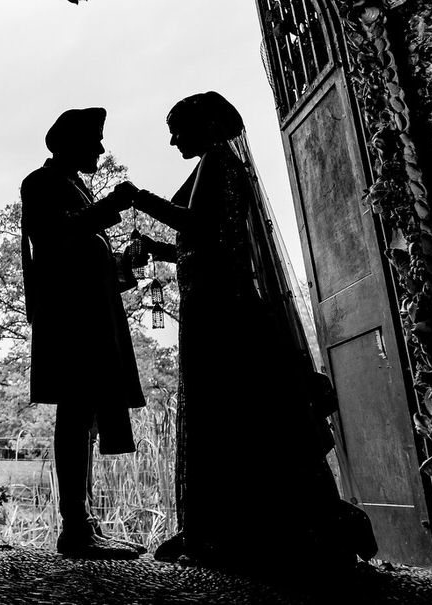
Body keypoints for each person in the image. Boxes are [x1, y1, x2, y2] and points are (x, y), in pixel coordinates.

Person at [119, 91, 376, 572]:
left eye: (178, 128)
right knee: (229, 409)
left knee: (232, 407)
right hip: (213, 302)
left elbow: (200, 226)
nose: (173, 139)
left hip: (222, 309)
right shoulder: (214, 165)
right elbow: (207, 242)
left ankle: (243, 530)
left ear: (209, 126)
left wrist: (139, 198)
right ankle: (231, 526)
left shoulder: (220, 163)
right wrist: (160, 248)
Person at [20, 107, 146, 558]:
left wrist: (121, 264)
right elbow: (54, 238)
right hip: (71, 319)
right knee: (75, 414)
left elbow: (82, 254)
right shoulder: (41, 182)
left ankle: (82, 522)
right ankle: (75, 526)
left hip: (87, 316)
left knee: (83, 415)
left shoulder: (71, 184)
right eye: (94, 139)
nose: (99, 148)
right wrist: (110, 206)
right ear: (69, 142)